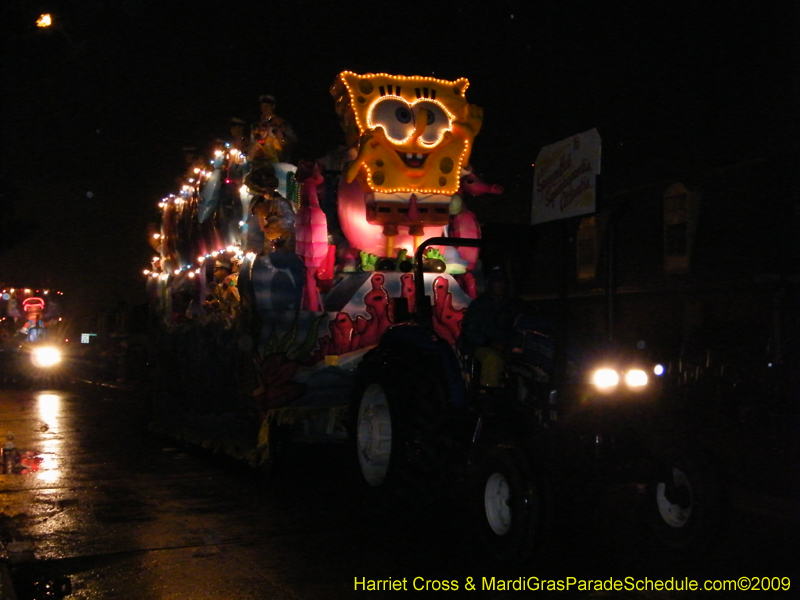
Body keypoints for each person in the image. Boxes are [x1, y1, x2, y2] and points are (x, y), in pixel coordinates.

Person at [460, 267, 519, 388]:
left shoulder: (511, 304)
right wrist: (490, 342)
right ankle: (487, 392)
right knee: (492, 359)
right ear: (490, 285)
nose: (500, 285)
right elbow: (471, 332)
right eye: (497, 282)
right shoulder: (479, 305)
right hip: (482, 346)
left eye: (502, 282)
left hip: (508, 346)